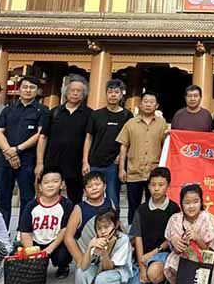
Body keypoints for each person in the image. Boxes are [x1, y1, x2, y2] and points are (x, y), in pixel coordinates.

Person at [0, 76, 48, 227]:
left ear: (37, 91)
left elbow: (40, 134)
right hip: (5, 160)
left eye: (32, 88)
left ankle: (22, 232)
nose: (28, 90)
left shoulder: (42, 110)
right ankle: (2, 233)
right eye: (25, 87)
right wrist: (8, 151)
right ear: (19, 89)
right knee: (3, 197)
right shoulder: (8, 109)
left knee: (27, 197)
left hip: (27, 160)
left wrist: (17, 149)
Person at [37, 75, 92, 205]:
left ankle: (73, 223)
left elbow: (88, 139)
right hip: (53, 162)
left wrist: (85, 161)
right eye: (72, 90)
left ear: (83, 94)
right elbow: (43, 137)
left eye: (79, 91)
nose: (75, 93)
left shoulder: (89, 114)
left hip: (75, 164)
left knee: (75, 198)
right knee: (51, 195)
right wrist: (39, 162)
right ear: (66, 92)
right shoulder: (54, 112)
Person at [128, 167, 180, 284]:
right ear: (148, 186)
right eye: (153, 185)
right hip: (142, 256)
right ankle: (153, 282)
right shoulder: (141, 210)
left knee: (153, 272)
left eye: (161, 185)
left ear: (168, 186)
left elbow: (171, 238)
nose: (156, 189)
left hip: (163, 254)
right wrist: (141, 266)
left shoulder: (174, 209)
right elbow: (137, 238)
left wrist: (153, 253)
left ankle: (159, 278)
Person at [117, 91, 169, 224]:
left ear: (156, 105)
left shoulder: (162, 124)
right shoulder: (130, 123)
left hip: (154, 172)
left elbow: (166, 146)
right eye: (145, 101)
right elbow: (123, 146)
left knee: (153, 205)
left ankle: (149, 233)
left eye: (152, 102)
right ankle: (133, 236)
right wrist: (121, 169)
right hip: (134, 172)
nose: (148, 105)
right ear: (140, 104)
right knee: (133, 206)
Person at [83, 79, 133, 209]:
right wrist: (85, 161)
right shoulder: (96, 114)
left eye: (116, 92)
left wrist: (121, 158)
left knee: (113, 198)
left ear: (122, 95)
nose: (113, 95)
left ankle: (113, 225)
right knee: (92, 196)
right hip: (94, 162)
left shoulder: (127, 115)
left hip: (113, 164)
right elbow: (88, 138)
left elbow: (129, 141)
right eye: (110, 92)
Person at [17, 166, 74, 279]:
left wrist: (49, 250)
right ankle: (37, 265)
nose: (50, 185)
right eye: (46, 182)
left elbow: (65, 230)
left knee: (63, 254)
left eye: (55, 181)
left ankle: (63, 267)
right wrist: (32, 253)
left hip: (55, 242)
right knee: (18, 253)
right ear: (40, 186)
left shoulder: (66, 204)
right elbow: (25, 231)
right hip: (36, 242)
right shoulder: (31, 205)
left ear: (62, 185)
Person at [74, 208, 133, 284]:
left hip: (118, 274)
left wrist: (104, 253)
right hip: (100, 270)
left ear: (115, 225)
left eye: (106, 227)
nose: (103, 231)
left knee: (102, 279)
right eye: (99, 228)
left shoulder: (123, 239)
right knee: (81, 272)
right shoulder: (97, 239)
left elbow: (109, 267)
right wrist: (89, 248)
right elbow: (83, 266)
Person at [65, 171, 115, 268]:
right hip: (88, 255)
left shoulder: (110, 203)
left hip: (108, 254)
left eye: (97, 184)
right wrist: (80, 259)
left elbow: (116, 226)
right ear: (84, 191)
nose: (94, 188)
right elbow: (68, 237)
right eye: (89, 186)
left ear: (104, 186)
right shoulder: (79, 208)